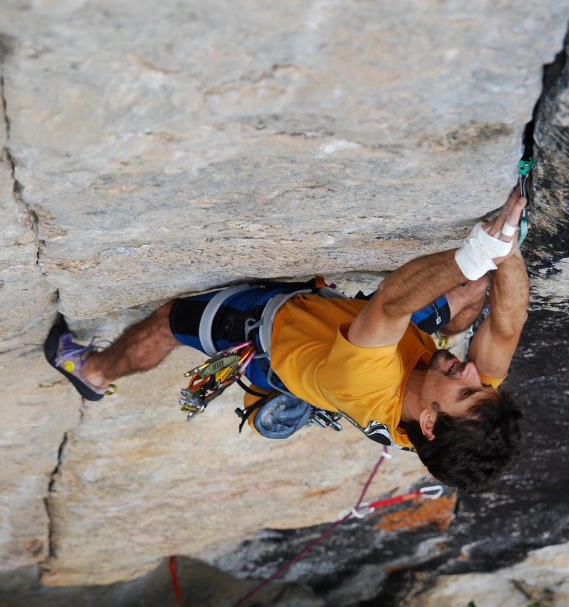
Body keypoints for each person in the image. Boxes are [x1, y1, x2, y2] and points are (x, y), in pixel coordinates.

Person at [45, 187, 529, 492]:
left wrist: (478, 250)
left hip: (267, 325)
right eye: (480, 384)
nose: (470, 371)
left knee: (172, 320)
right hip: (351, 329)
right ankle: (300, 394)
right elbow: (507, 325)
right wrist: (505, 251)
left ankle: (92, 372)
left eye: (466, 389)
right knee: (474, 292)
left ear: (427, 422)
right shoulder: (453, 421)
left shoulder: (366, 384)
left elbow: (390, 304)